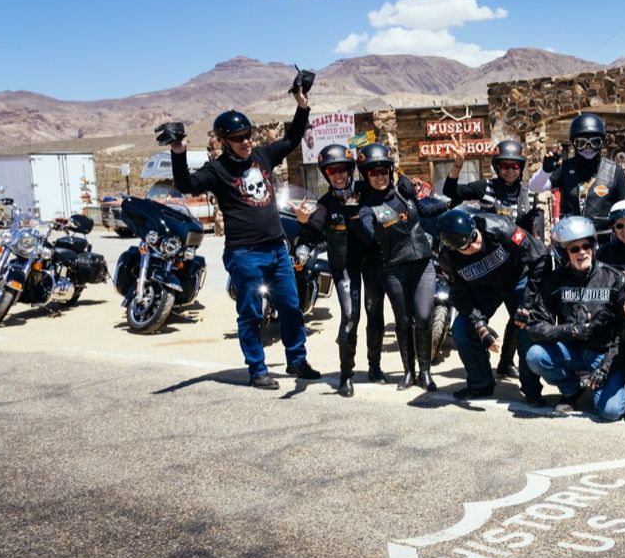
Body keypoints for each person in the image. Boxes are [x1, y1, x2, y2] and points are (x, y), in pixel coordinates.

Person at [171, 91, 321, 389]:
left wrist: (302, 106)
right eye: (238, 138)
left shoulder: (262, 156)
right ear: (224, 141)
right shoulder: (217, 170)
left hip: (277, 249)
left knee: (291, 307)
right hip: (245, 254)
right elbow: (187, 184)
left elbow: (291, 139)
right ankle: (257, 369)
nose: (246, 141)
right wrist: (178, 152)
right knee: (251, 313)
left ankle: (297, 359)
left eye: (248, 134)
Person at [436, 207, 549, 405]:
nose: (475, 243)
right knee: (461, 328)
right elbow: (459, 296)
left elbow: (540, 257)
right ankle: (480, 384)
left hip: (517, 279)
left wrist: (527, 304)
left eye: (474, 236)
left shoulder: (499, 227)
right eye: (467, 245)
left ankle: (531, 389)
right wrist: (479, 325)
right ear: (453, 248)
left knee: (527, 326)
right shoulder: (448, 258)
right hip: (484, 290)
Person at [354, 143, 443, 392]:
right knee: (403, 320)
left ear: (390, 171)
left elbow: (425, 210)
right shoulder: (367, 206)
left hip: (422, 263)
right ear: (366, 175)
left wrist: (450, 203)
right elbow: (368, 235)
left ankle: (425, 372)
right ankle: (408, 372)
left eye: (383, 171)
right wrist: (356, 217)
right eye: (373, 172)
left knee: (423, 316)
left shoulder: (403, 192)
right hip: (393, 269)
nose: (379, 176)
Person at [521, 216, 625, 418]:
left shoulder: (614, 278)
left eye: (586, 246)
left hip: (604, 353)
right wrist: (569, 330)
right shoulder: (555, 280)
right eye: (574, 249)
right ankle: (571, 389)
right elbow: (535, 325)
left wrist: (606, 366)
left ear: (594, 247)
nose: (582, 252)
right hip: (571, 350)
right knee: (535, 356)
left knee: (610, 412)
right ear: (564, 252)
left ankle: (605, 382)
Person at [295, 144, 371, 397]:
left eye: (341, 169)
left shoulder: (363, 191)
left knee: (374, 314)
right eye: (331, 171)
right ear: (325, 175)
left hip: (372, 264)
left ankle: (375, 367)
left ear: (349, 170)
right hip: (344, 267)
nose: (337, 175)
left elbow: (386, 193)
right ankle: (346, 375)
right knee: (350, 317)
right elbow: (315, 226)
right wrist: (305, 221)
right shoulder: (325, 204)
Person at [527, 113, 625, 238]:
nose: (588, 147)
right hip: (571, 240)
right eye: (581, 143)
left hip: (604, 240)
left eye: (594, 142)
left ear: (602, 142)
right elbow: (534, 187)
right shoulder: (565, 168)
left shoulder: (615, 171)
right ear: (573, 143)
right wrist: (545, 171)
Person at [442, 138, 542, 236]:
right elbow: (450, 191)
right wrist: (458, 164)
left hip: (521, 246)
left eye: (515, 166)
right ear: (497, 166)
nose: (510, 171)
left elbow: (535, 232)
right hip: (491, 246)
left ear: (521, 167)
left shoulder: (529, 195)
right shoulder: (486, 187)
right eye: (505, 166)